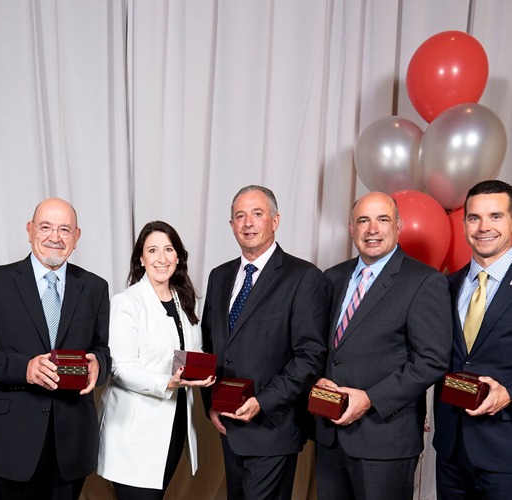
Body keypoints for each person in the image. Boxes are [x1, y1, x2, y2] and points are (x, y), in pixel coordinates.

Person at [0, 197, 110, 500]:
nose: (55, 237)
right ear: (29, 230)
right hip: (8, 440)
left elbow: (101, 347)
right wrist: (24, 368)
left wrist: (99, 364)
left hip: (71, 439)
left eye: (65, 230)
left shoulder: (95, 287)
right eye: (46, 227)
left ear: (76, 237)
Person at [315, 191, 452, 500]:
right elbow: (323, 349)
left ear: (398, 226)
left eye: (382, 220)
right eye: (363, 220)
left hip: (383, 438)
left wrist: (370, 398)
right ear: (351, 228)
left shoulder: (423, 281)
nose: (372, 229)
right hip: (330, 435)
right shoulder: (333, 277)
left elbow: (431, 360)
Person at [201, 185, 328, 499]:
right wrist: (211, 405)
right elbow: (211, 346)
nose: (248, 223)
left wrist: (262, 401)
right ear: (231, 225)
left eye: (257, 214)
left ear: (275, 220)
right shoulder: (219, 276)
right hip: (229, 426)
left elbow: (309, 356)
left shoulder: (303, 277)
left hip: (273, 425)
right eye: (240, 216)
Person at [98, 221, 215, 498]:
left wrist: (202, 369)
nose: (161, 258)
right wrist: (168, 381)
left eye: (168, 249)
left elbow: (192, 351)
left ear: (178, 256)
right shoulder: (126, 302)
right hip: (134, 433)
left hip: (174, 427)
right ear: (141, 258)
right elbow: (120, 367)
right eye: (152, 250)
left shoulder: (186, 301)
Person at [433, 180, 512, 499]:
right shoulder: (444, 286)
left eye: (495, 216)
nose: (484, 227)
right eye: (474, 217)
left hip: (505, 451)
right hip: (451, 450)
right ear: (464, 222)